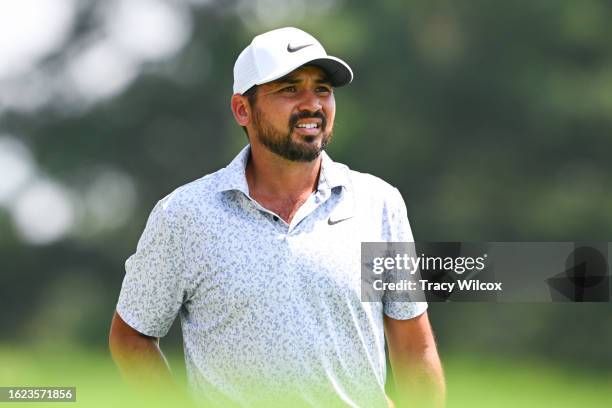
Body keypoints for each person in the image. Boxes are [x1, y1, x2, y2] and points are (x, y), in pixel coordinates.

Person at [109, 27, 445, 408]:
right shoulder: (184, 215)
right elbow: (131, 337)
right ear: (242, 109)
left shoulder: (378, 204)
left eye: (322, 89)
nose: (312, 104)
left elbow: (413, 349)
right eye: (289, 89)